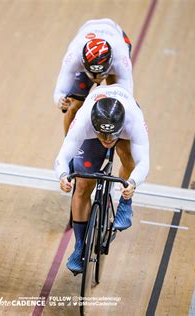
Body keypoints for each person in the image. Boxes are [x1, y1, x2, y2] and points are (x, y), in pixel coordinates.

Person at [54, 84, 149, 274]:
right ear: (94, 127)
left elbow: (144, 162)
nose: (107, 140)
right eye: (102, 135)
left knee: (128, 159)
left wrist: (132, 184)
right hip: (92, 127)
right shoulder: (83, 121)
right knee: (82, 185)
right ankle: (80, 245)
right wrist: (63, 176)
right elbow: (62, 157)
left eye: (111, 135)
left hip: (124, 128)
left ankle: (125, 202)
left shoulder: (133, 121)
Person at [53, 18, 133, 135]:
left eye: (102, 75)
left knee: (115, 100)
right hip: (86, 34)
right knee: (73, 104)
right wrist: (60, 100)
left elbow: (127, 98)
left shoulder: (120, 59)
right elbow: (59, 92)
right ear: (83, 63)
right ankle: (69, 143)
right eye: (92, 74)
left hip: (116, 34)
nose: (97, 79)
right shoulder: (73, 57)